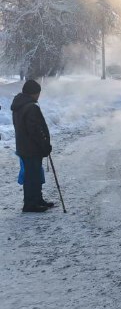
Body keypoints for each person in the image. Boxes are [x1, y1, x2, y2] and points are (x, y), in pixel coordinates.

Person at [11, 80, 54, 212]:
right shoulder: (31, 108)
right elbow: (35, 130)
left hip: (24, 146)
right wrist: (44, 144)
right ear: (33, 93)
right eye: (38, 93)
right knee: (32, 176)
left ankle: (37, 199)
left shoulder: (19, 105)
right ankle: (30, 204)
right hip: (32, 147)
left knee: (34, 174)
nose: (39, 96)